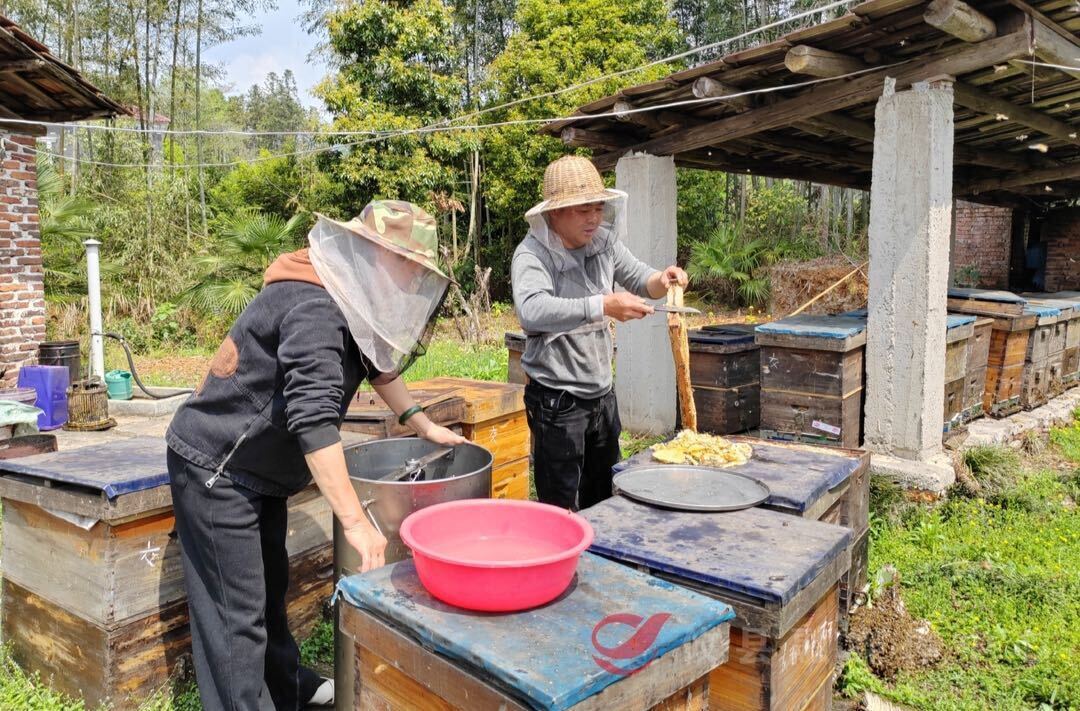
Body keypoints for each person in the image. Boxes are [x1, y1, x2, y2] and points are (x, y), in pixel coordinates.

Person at [165, 201, 466, 710]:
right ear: (371, 254)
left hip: (259, 471)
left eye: (420, 272)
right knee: (234, 618)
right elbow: (313, 420)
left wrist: (423, 422)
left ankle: (286, 688)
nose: (412, 281)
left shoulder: (350, 296)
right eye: (407, 266)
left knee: (268, 590)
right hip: (217, 468)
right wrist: (356, 522)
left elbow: (378, 365)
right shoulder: (315, 307)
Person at [511, 155, 688, 512]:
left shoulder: (602, 242)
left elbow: (641, 278)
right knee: (560, 507)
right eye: (583, 210)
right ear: (555, 213)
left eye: (598, 208)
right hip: (557, 400)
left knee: (604, 499)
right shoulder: (531, 255)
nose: (593, 218)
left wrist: (664, 278)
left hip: (602, 395)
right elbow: (532, 311)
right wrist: (603, 305)